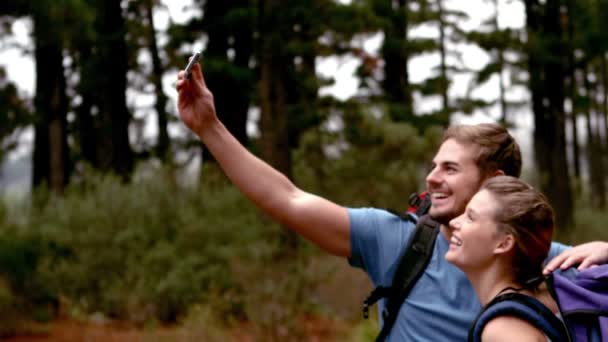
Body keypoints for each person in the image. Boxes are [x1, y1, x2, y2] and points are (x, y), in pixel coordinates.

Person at [176, 61, 608, 340]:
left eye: (450, 169)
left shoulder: (545, 262)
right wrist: (209, 128)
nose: (431, 178)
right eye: (434, 165)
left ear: (495, 181)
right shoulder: (398, 243)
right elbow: (288, 199)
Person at [447, 176, 563, 341]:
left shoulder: (502, 328)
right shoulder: (534, 303)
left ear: (504, 243)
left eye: (470, 217)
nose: (453, 222)